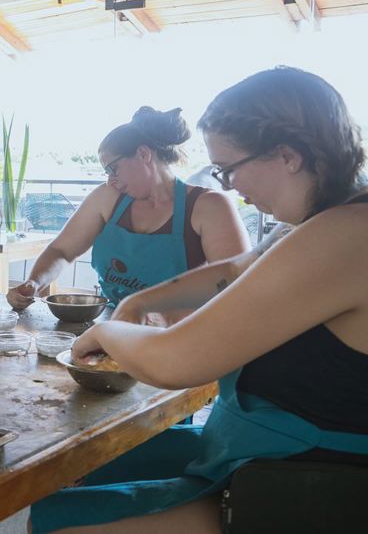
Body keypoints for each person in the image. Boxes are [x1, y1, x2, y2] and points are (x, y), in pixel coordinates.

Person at [31, 67, 368, 533]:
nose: (231, 187)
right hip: (257, 451)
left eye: (230, 170)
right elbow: (234, 270)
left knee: (51, 522)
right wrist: (138, 302)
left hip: (302, 486)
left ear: (287, 155)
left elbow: (176, 363)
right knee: (73, 474)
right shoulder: (326, 220)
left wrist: (106, 329)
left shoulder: (346, 235)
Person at [7, 107, 249, 311]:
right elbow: (61, 251)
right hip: (115, 326)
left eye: (113, 169)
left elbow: (238, 288)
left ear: (144, 154)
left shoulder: (209, 207)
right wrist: (34, 283)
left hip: (183, 332)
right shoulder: (107, 199)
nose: (110, 180)